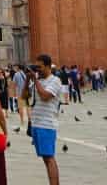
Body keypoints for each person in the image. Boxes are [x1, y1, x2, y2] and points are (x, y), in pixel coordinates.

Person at [28, 55, 61, 185]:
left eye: (40, 67)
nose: (38, 70)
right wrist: (27, 80)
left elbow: (45, 96)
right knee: (45, 158)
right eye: (36, 67)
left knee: (49, 158)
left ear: (48, 66)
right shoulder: (38, 80)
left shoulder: (55, 80)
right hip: (37, 123)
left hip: (47, 124)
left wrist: (35, 80)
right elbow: (25, 95)